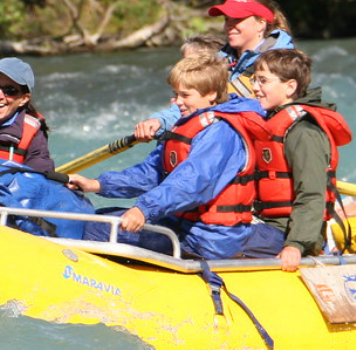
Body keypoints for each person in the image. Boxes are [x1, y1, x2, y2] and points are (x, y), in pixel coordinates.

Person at [69, 54, 266, 260]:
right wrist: (96, 184)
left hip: (209, 236)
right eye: (175, 94)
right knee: (101, 218)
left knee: (99, 230)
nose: (177, 103)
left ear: (211, 94)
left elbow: (191, 184)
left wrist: (143, 210)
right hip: (182, 224)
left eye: (185, 95)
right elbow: (151, 173)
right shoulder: (188, 124)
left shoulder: (220, 133)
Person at [134, 0, 294, 141]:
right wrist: (159, 122)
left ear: (261, 23)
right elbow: (192, 101)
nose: (228, 26)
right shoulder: (221, 59)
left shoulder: (280, 62)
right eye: (226, 20)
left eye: (237, 19)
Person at [243, 49, 352, 271]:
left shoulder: (303, 132)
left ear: (290, 87)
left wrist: (296, 244)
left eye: (263, 81)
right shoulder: (269, 121)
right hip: (264, 223)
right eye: (255, 79)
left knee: (212, 243)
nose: (255, 88)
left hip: (287, 233)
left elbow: (312, 193)